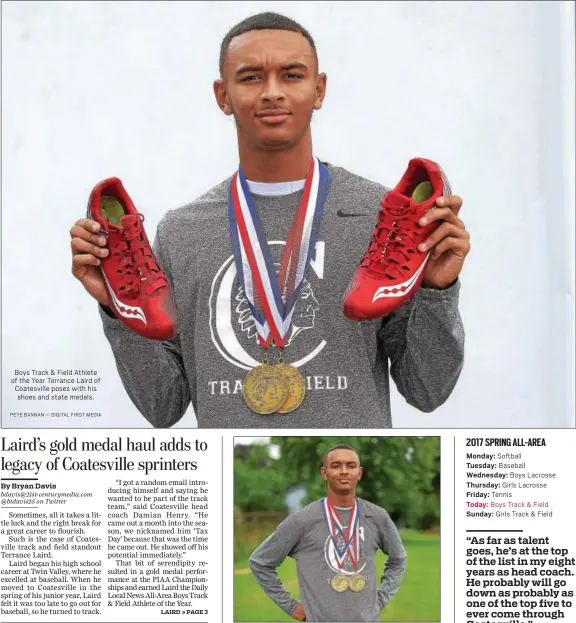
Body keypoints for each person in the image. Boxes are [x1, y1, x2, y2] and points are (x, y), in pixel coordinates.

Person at [69, 11, 471, 428]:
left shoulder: (381, 219)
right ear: (223, 96)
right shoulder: (182, 231)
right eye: (251, 77)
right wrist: (114, 307)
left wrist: (437, 291)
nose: (272, 93)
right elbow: (163, 404)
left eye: (292, 75)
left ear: (319, 90)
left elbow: (427, 391)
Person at [248, 444, 408, 622]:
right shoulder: (302, 520)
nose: (344, 471)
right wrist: (291, 606)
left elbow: (398, 559)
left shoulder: (377, 516)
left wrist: (380, 600)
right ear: (324, 473)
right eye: (336, 465)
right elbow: (260, 562)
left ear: (359, 473)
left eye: (351, 465)